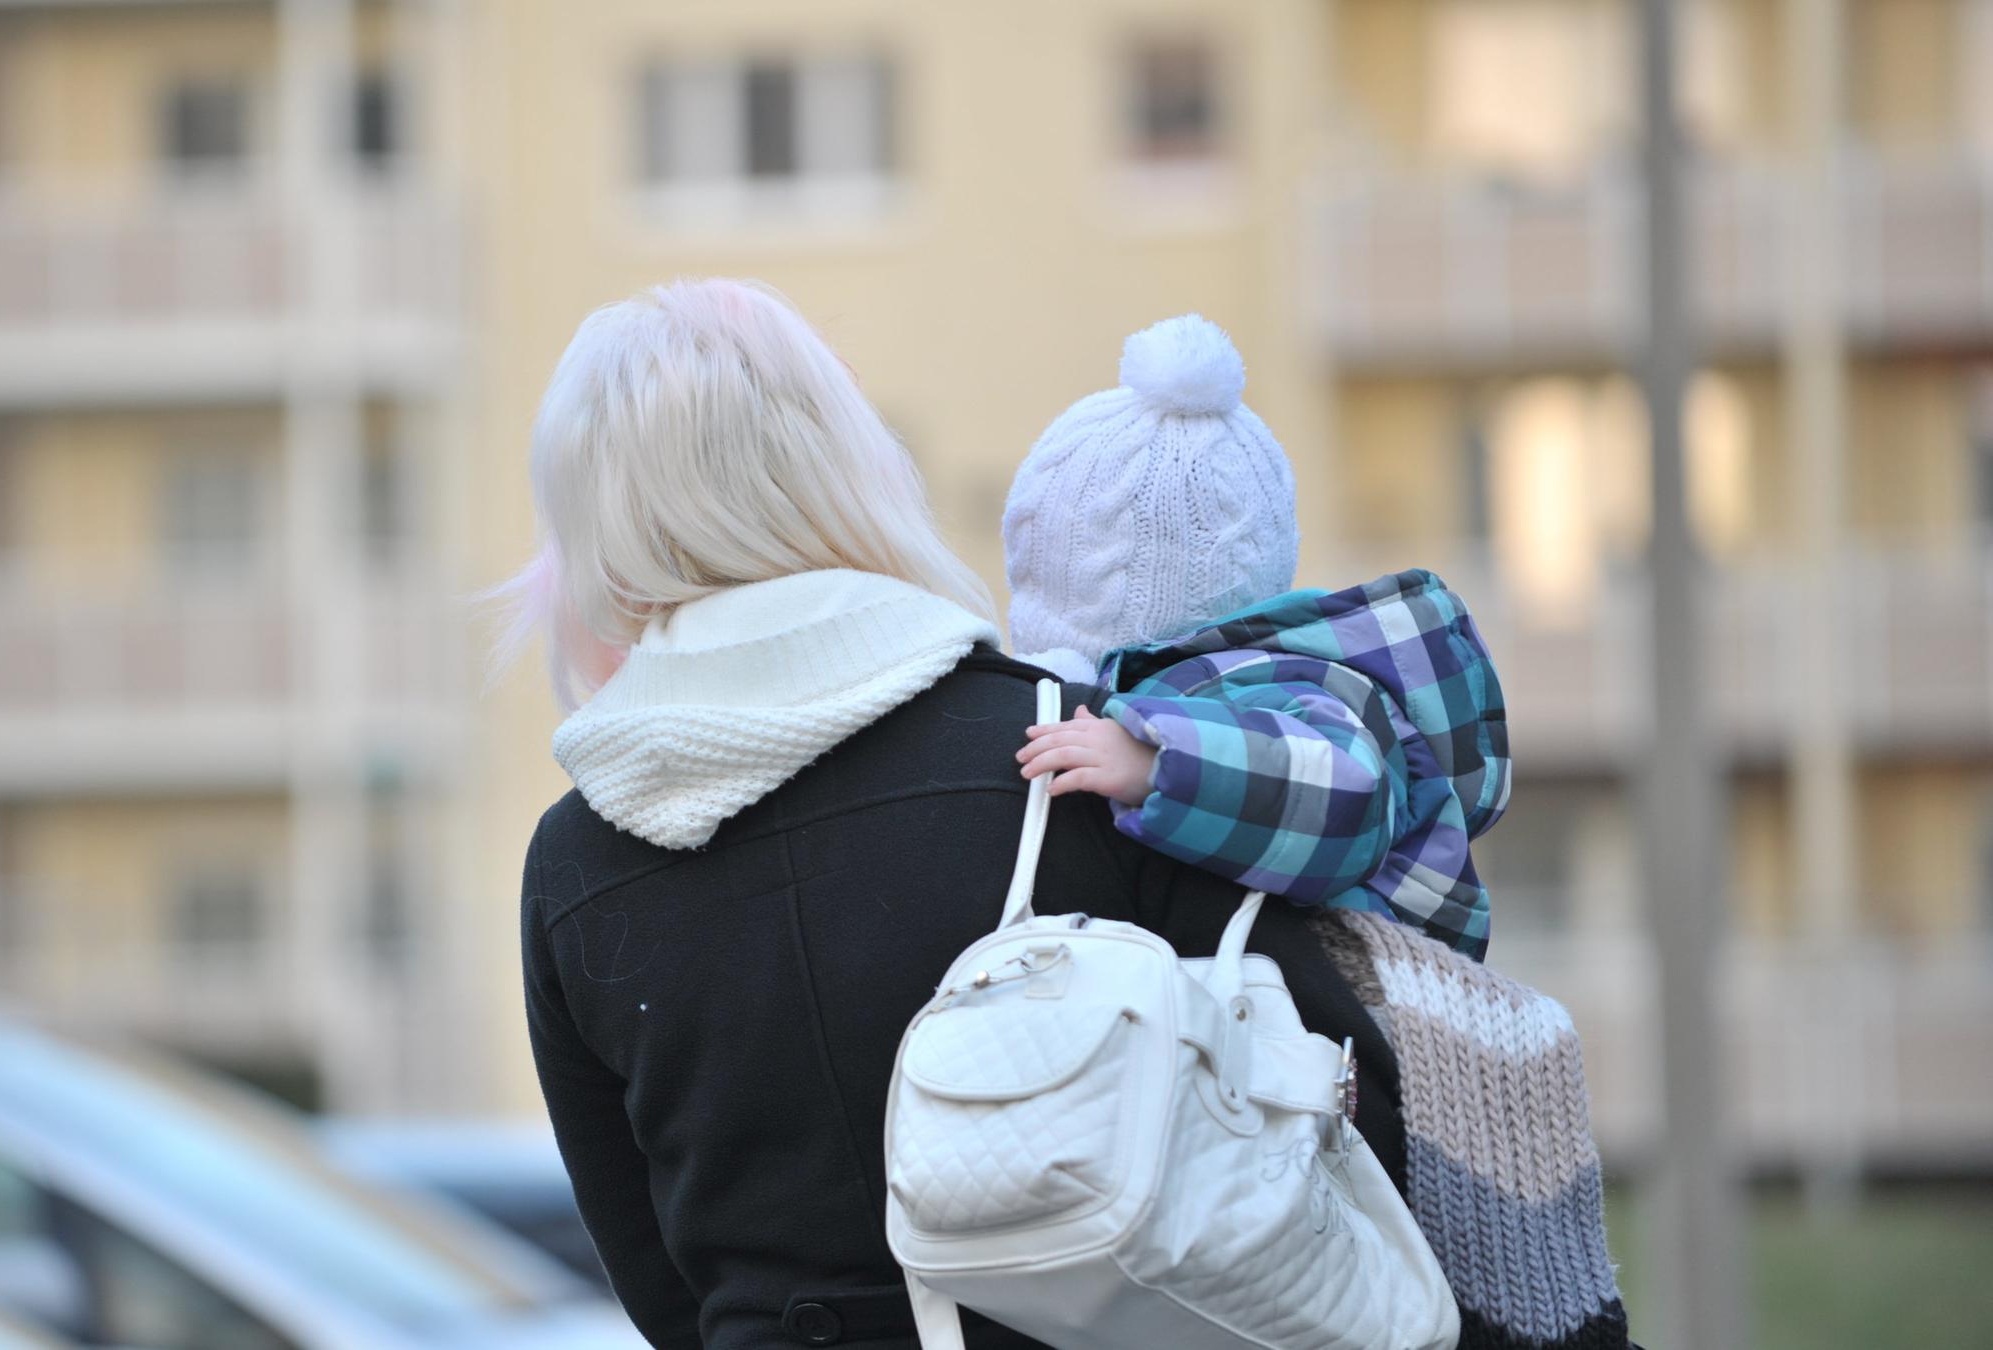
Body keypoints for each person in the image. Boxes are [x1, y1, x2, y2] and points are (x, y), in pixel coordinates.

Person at [506, 278, 1404, 1350]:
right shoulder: (1092, 752)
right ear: (840, 461)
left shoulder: (576, 863)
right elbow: (1341, 1109)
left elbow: (655, 1277)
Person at [1000, 313, 1630, 1349]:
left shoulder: (1294, 689)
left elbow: (1339, 798)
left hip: (1345, 1063)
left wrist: (1157, 762)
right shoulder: (1229, 686)